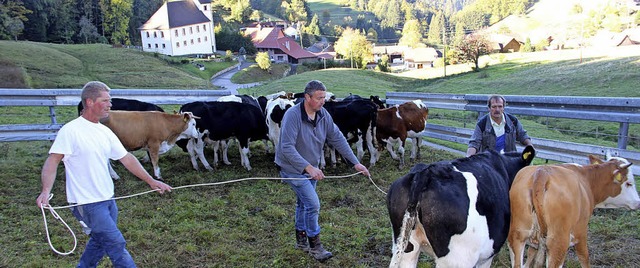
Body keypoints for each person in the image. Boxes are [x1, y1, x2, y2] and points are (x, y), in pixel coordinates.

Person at [36, 81, 172, 267]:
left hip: (108, 199)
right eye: (105, 100)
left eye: (110, 100)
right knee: (116, 243)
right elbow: (52, 161)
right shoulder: (71, 131)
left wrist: (151, 181)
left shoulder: (104, 131)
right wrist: (45, 191)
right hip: (86, 203)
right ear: (90, 102)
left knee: (99, 242)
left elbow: (127, 158)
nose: (110, 104)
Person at [275, 80, 370, 262]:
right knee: (312, 204)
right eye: (319, 98)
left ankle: (301, 241)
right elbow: (286, 147)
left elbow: (337, 138)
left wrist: (355, 163)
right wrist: (309, 168)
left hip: (311, 167)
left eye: (324, 98)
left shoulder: (323, 115)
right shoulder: (292, 116)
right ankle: (315, 246)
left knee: (303, 203)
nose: (323, 101)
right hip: (292, 168)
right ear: (307, 97)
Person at [466, 94, 533, 156]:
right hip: (489, 162)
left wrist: (530, 146)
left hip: (509, 160)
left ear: (503, 107)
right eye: (494, 107)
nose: (497, 110)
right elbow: (474, 143)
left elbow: (522, 135)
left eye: (500, 106)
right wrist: (468, 158)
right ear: (489, 108)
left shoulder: (512, 121)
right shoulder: (482, 124)